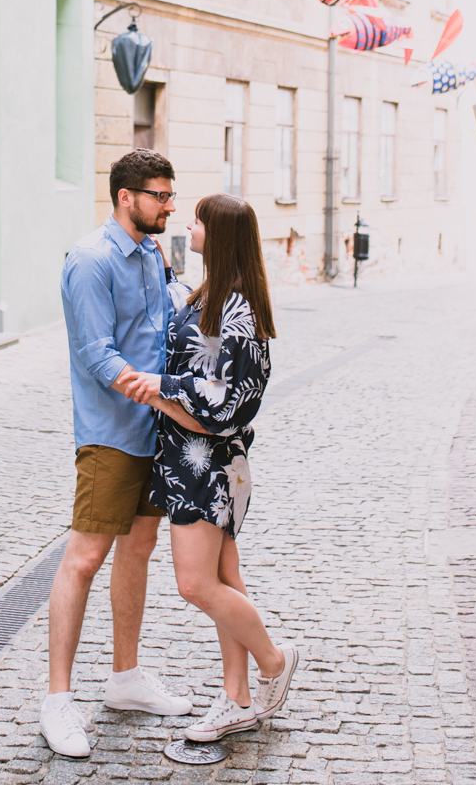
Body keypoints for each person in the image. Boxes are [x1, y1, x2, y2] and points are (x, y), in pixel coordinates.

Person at [123, 193, 298, 743]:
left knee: (196, 584)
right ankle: (237, 700)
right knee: (225, 579)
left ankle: (274, 661)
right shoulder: (211, 293)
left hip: (208, 465)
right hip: (191, 460)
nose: (188, 226)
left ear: (217, 235)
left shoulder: (238, 309)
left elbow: (226, 403)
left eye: (197, 220)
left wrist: (160, 389)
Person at [41, 149, 194, 759]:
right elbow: (97, 354)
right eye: (160, 195)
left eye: (171, 194)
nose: (170, 205)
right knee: (84, 557)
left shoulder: (153, 254)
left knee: (139, 549)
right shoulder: (91, 259)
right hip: (110, 435)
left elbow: (165, 320)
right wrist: (163, 396)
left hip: (154, 434)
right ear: (126, 197)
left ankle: (126, 679)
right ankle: (57, 700)